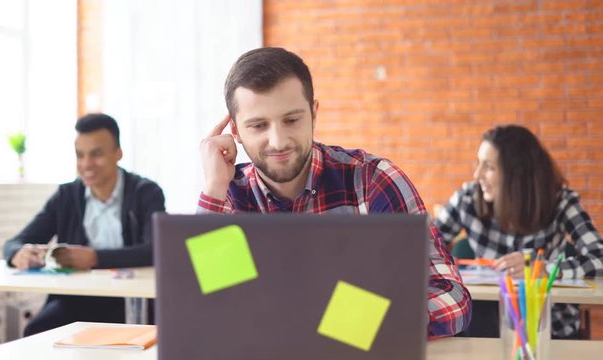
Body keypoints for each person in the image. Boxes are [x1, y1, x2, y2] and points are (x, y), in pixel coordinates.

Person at [198, 47, 471, 338]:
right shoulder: (227, 193)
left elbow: (451, 295)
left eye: (292, 120)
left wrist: (352, 323)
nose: (278, 141)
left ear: (313, 114)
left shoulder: (372, 180)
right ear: (236, 132)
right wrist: (213, 189)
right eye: (258, 125)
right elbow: (208, 304)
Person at [3, 113, 165, 336]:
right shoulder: (66, 195)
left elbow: (154, 249)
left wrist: (94, 258)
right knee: (36, 332)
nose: (86, 164)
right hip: (75, 301)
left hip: (130, 303)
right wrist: (17, 254)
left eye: (96, 154)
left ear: (118, 153)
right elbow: (14, 243)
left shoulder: (145, 192)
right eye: (80, 155)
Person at [434, 124, 603, 338]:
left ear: (516, 175)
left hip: (549, 328)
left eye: (489, 167)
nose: (477, 175)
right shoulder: (467, 199)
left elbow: (600, 256)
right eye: (478, 164)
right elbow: (424, 248)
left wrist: (545, 269)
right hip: (486, 328)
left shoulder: (561, 201)